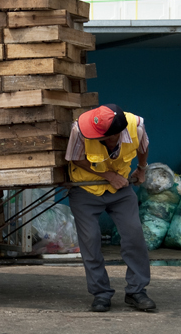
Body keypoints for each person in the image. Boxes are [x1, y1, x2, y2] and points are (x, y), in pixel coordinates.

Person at [65, 104, 156, 312]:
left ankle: (136, 291)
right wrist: (109, 176)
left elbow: (143, 148)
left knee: (134, 235)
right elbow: (76, 158)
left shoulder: (137, 126)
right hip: (85, 189)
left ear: (115, 134)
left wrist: (142, 169)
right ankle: (101, 293)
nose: (94, 137)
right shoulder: (79, 128)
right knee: (91, 240)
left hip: (120, 191)